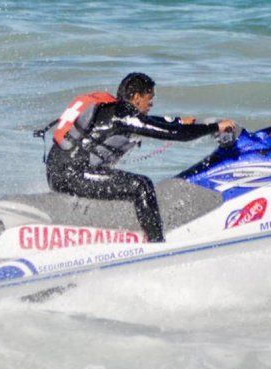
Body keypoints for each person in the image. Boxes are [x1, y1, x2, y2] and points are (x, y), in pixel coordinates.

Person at [44, 72, 236, 242]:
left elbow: (153, 123)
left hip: (61, 172)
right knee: (140, 186)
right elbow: (172, 134)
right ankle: (156, 245)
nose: (150, 104)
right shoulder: (123, 115)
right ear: (136, 97)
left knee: (129, 183)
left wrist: (179, 121)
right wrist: (215, 127)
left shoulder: (115, 113)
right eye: (149, 99)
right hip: (71, 175)